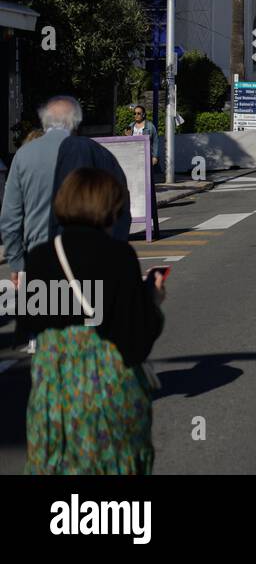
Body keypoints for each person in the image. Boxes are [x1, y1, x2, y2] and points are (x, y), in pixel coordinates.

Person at [20, 167, 165, 474]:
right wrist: (152, 299)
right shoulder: (117, 256)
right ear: (108, 210)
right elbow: (137, 341)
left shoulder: (40, 257)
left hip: (54, 391)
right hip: (106, 388)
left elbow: (29, 325)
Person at [3, 97, 131, 285]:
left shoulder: (23, 155)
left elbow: (10, 217)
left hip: (38, 261)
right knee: (89, 312)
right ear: (76, 123)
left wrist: (17, 264)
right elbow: (121, 206)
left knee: (43, 313)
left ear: (44, 123)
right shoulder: (98, 152)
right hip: (90, 261)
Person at [124, 106, 159, 171]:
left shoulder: (150, 126)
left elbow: (155, 142)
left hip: (146, 156)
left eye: (138, 113)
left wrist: (155, 156)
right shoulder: (130, 125)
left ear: (143, 114)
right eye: (134, 113)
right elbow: (126, 141)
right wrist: (127, 136)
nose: (136, 115)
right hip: (133, 156)